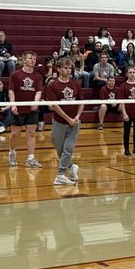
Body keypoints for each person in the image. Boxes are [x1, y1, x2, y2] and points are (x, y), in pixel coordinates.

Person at [45, 56, 83, 186]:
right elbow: (55, 106)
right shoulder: (53, 85)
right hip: (59, 122)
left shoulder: (75, 84)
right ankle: (72, 167)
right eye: (65, 68)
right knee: (59, 148)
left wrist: (77, 117)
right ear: (59, 69)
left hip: (74, 123)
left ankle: (60, 174)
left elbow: (81, 102)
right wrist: (68, 119)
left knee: (68, 149)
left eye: (70, 68)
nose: (68, 70)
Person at [7, 52, 44, 168]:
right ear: (24, 60)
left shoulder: (38, 76)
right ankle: (12, 153)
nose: (33, 60)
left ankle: (30, 158)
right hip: (18, 109)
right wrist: (13, 105)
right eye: (30, 58)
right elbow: (11, 90)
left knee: (31, 133)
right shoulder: (16, 74)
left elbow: (38, 91)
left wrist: (36, 103)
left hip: (31, 110)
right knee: (15, 133)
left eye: (34, 58)